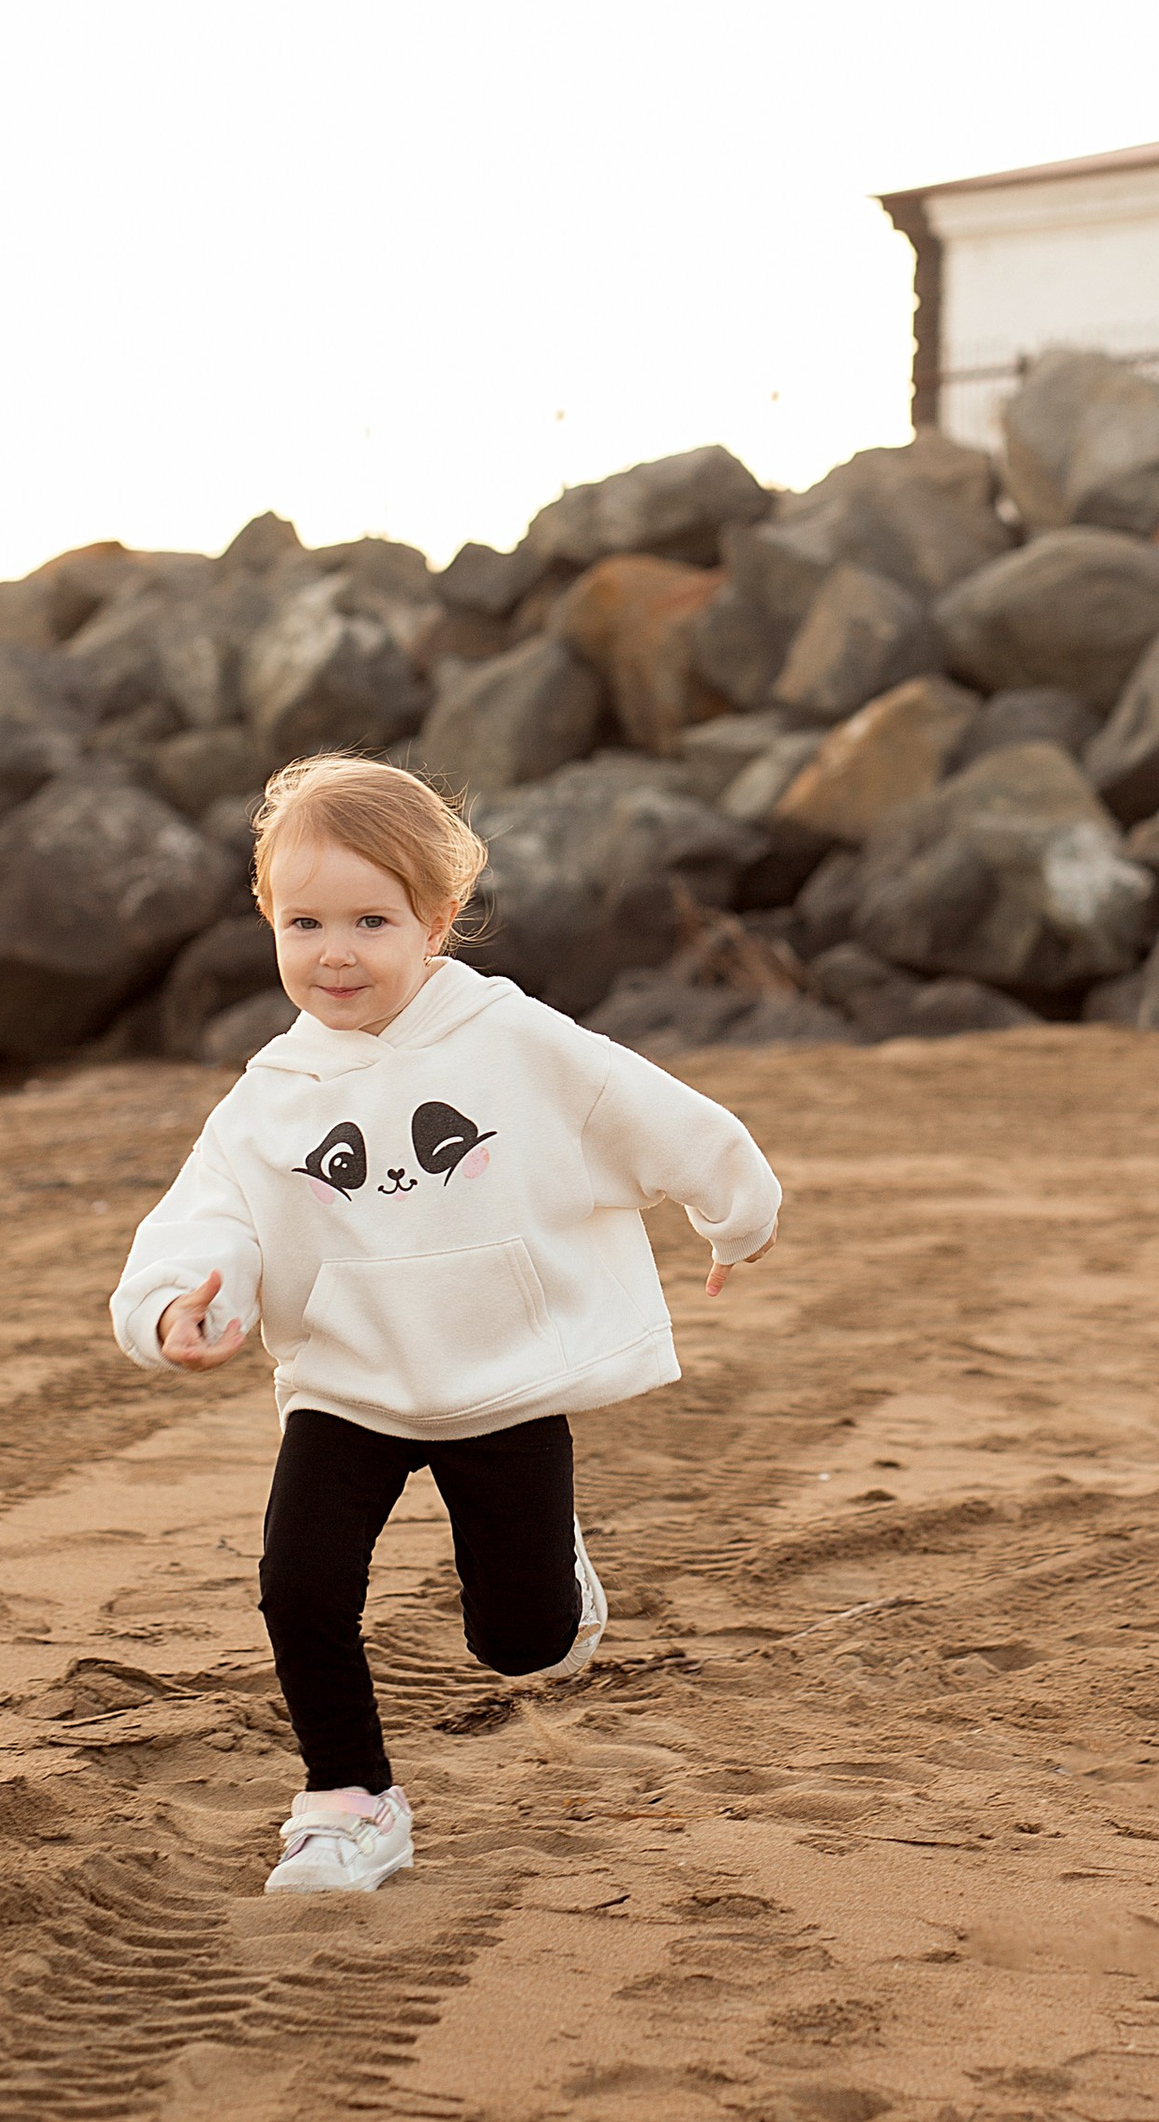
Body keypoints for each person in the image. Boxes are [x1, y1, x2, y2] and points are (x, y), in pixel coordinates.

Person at [109, 752, 781, 1894]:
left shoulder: (515, 1041)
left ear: (436, 919)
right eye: (305, 923)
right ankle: (349, 1802)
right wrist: (177, 1307)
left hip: (501, 1377)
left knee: (521, 1643)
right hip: (349, 1384)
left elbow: (650, 1115)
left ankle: (558, 1581)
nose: (335, 953)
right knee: (300, 1586)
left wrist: (736, 1217)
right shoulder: (269, 1094)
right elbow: (209, 1220)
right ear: (268, 921)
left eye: (370, 921)